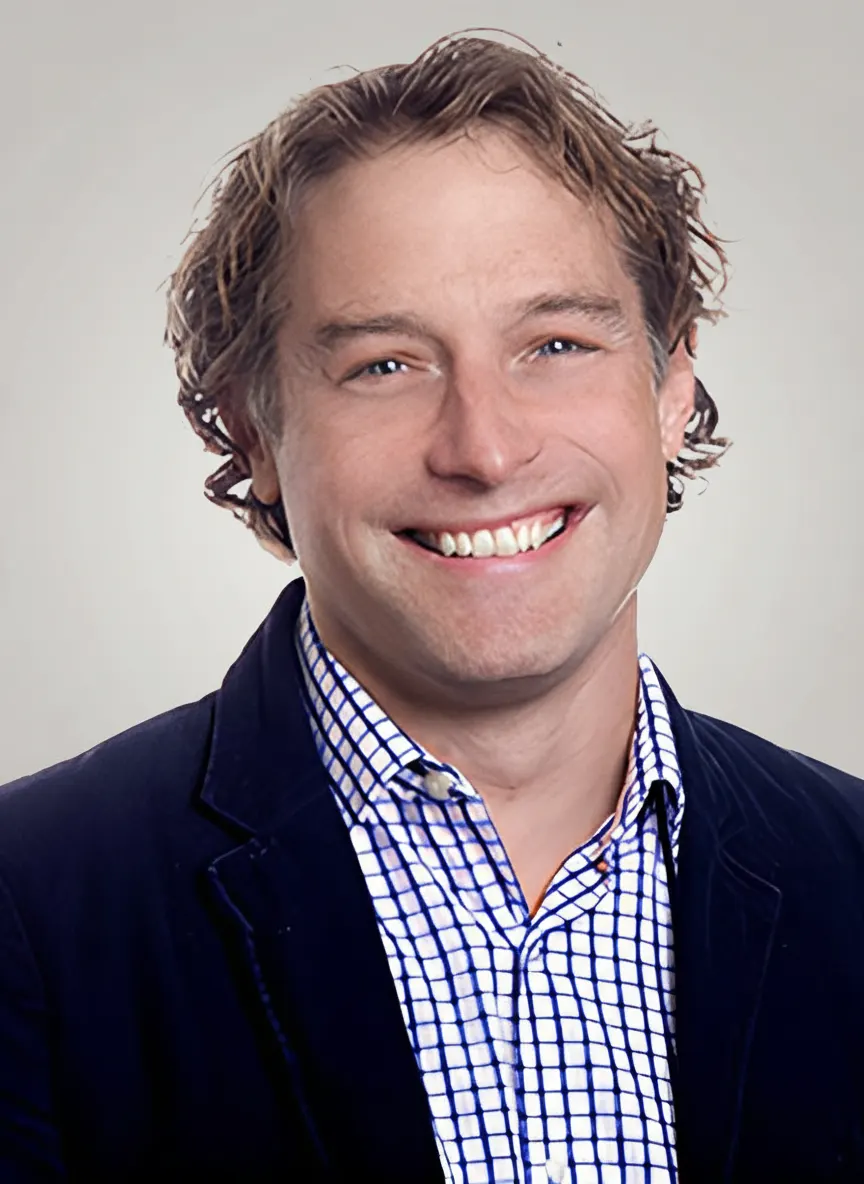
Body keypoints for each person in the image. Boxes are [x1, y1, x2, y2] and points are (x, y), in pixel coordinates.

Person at [0, 29, 862, 1184]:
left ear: (671, 388)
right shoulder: (30, 908)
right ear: (252, 430)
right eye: (386, 365)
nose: (486, 447)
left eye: (555, 343)